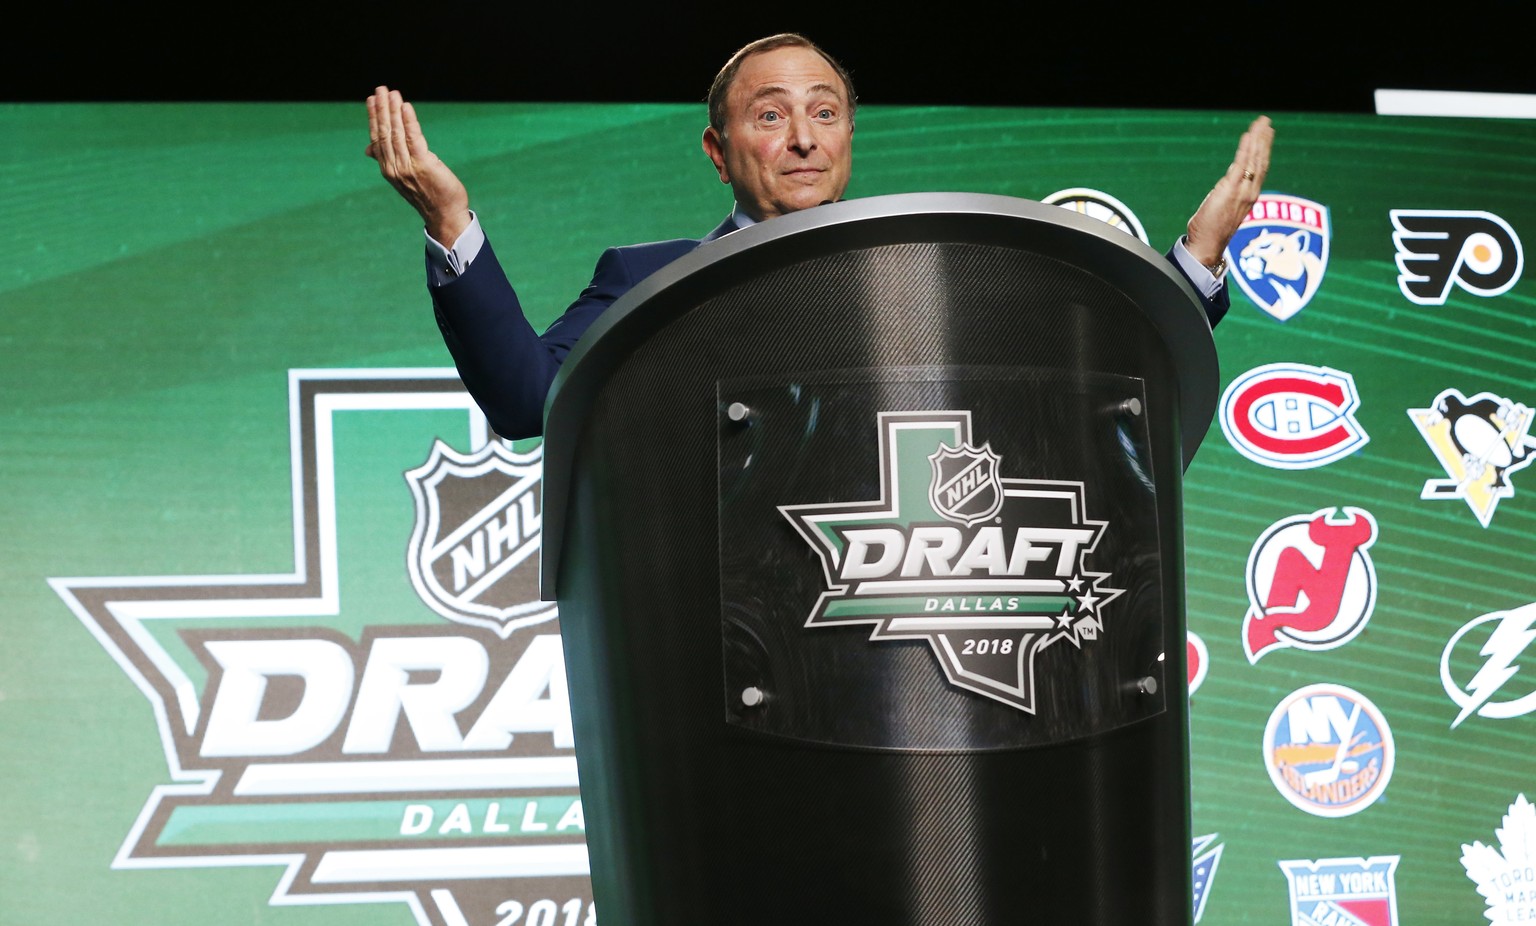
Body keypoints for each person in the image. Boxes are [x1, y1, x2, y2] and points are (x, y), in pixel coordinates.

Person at [367, 33, 1274, 441]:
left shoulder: (935, 274)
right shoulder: (648, 280)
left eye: (825, 112)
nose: (803, 138)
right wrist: (451, 224)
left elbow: (1072, 383)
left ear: (848, 136)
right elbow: (529, 401)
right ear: (719, 153)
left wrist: (1192, 263)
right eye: (771, 115)